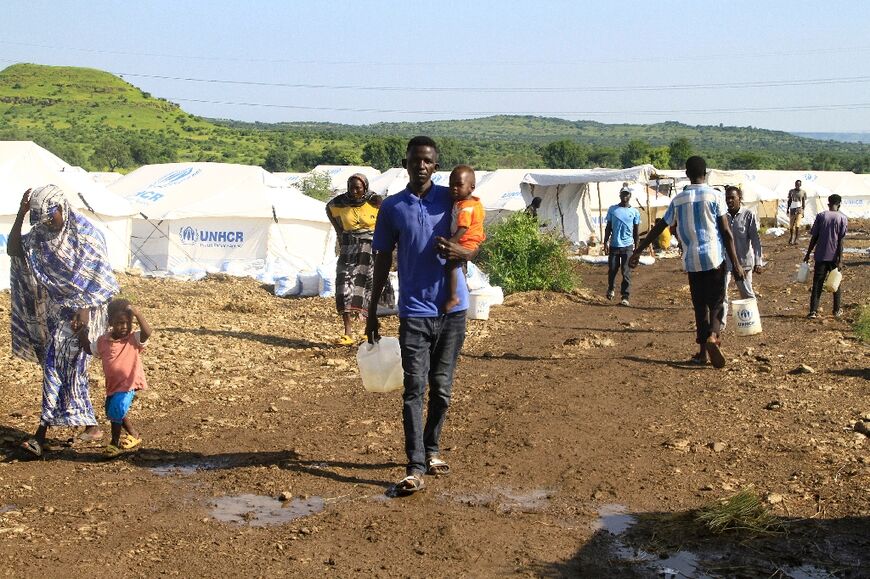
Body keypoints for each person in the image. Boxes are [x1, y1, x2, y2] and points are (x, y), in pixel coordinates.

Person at [366, 136, 477, 496]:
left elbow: (476, 234)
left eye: (428, 161)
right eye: (415, 160)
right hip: (413, 311)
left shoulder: (453, 198)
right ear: (406, 163)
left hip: (453, 309)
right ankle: (414, 466)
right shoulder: (393, 207)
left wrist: (465, 251)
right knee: (415, 388)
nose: (421, 166)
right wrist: (371, 309)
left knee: (442, 390)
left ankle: (431, 450)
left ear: (436, 165)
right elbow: (382, 257)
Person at [8, 185, 119, 457]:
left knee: (55, 365)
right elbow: (13, 248)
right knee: (69, 369)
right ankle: (90, 425)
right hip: (58, 312)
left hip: (88, 312)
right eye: (42, 219)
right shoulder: (41, 235)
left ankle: (40, 434)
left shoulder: (87, 235)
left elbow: (100, 278)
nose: (47, 222)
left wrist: (83, 308)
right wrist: (21, 214)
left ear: (62, 208)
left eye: (50, 217)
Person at [629, 157, 744, 368]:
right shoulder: (715, 196)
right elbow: (726, 232)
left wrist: (638, 250)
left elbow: (660, 226)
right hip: (714, 259)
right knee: (717, 302)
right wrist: (736, 263)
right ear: (705, 172)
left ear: (687, 173)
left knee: (700, 307)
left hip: (692, 261)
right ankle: (713, 337)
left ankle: (702, 353)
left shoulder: (678, 200)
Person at [325, 174, 393, 345]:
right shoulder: (338, 204)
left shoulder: (375, 202)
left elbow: (389, 219)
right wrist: (341, 235)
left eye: (358, 188)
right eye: (351, 187)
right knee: (343, 288)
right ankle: (347, 332)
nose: (354, 191)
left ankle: (367, 330)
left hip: (371, 250)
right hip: (348, 250)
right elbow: (331, 214)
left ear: (365, 187)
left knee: (368, 289)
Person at [84, 299, 152, 458]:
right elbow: (89, 349)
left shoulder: (134, 339)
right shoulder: (103, 341)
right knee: (112, 410)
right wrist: (81, 333)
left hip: (129, 383)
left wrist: (137, 313)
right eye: (120, 323)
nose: (124, 327)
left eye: (128, 323)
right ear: (110, 322)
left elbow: (147, 332)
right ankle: (134, 434)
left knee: (117, 410)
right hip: (113, 385)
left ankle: (114, 444)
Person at [444, 165, 485, 312]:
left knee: (452, 266)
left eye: (459, 185)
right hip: (470, 242)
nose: (454, 188)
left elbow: (463, 227)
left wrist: (452, 242)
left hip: (465, 242)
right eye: (451, 185)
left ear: (471, 187)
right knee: (457, 267)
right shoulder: (469, 202)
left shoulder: (466, 208)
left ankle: (454, 297)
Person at [721, 186, 763, 328]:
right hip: (725, 263)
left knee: (746, 294)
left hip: (743, 263)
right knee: (721, 295)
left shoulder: (747, 215)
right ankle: (721, 325)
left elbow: (755, 240)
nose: (729, 201)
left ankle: (752, 323)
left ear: (740, 198)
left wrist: (758, 261)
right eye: (727, 198)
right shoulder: (722, 216)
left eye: (732, 198)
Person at [803, 194, 848, 319]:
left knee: (817, 284)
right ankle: (836, 310)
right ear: (839, 204)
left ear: (828, 203)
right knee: (836, 284)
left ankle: (813, 311)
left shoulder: (821, 216)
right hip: (834, 258)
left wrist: (808, 254)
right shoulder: (842, 218)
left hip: (820, 256)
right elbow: (840, 241)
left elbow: (814, 237)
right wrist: (840, 260)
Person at [603, 186, 640, 306]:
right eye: (623, 194)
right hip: (614, 245)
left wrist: (637, 249)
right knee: (612, 269)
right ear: (619, 195)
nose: (625, 196)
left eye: (627, 194)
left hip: (628, 246)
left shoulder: (634, 212)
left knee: (626, 271)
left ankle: (625, 296)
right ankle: (611, 288)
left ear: (630, 196)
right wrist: (605, 242)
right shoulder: (613, 209)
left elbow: (636, 232)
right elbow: (608, 227)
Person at [786, 179, 806, 245]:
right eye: (796, 184)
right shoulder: (791, 191)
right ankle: (791, 237)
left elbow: (803, 202)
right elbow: (789, 200)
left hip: (799, 209)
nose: (797, 185)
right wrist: (787, 209)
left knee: (797, 225)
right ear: (795, 184)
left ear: (800, 185)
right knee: (791, 225)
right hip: (792, 209)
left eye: (799, 184)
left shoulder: (803, 192)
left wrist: (803, 211)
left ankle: (796, 239)